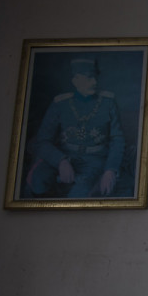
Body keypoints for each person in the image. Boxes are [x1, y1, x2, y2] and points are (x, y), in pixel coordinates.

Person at [25, 57, 125, 198]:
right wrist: (61, 161)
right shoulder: (60, 103)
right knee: (37, 182)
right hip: (64, 155)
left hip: (95, 160)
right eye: (89, 78)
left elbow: (117, 140)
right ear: (75, 80)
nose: (95, 82)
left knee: (79, 196)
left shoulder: (108, 102)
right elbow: (42, 141)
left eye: (95, 77)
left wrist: (110, 170)